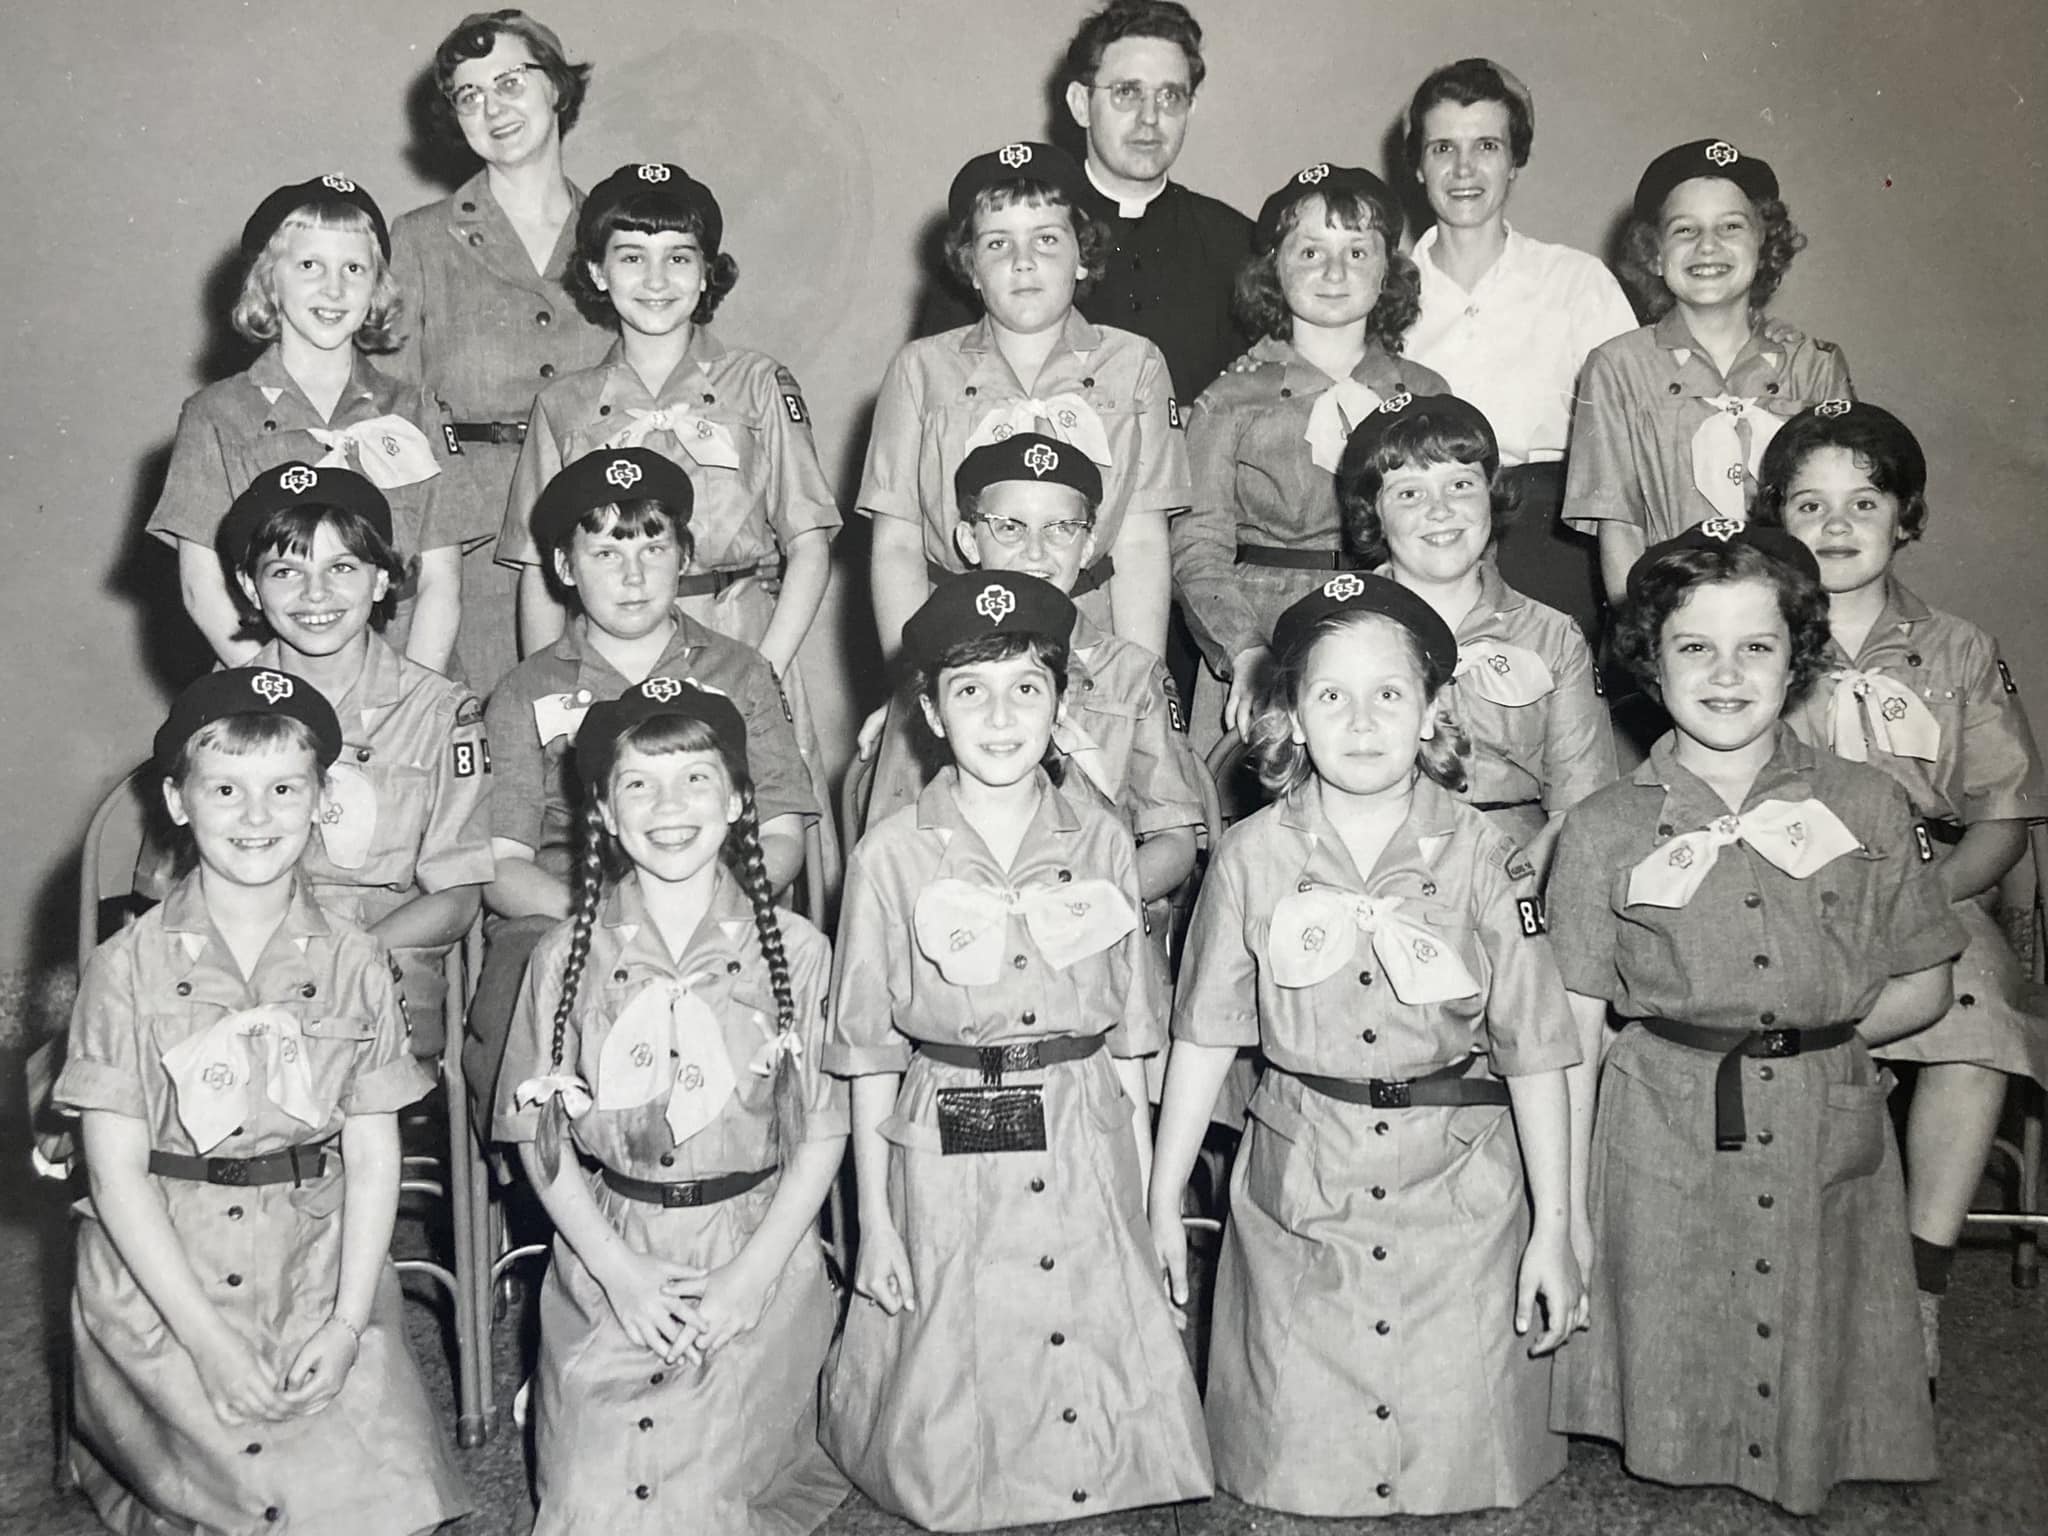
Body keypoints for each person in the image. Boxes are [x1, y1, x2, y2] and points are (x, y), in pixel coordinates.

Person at [1547, 520, 1965, 1513]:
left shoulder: (1862, 805)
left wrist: (1811, 1043)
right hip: (1663, 1121)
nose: (1724, 673)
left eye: (1755, 646)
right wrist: (1560, 1210)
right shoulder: (1602, 827)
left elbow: (1924, 980)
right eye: (1693, 646)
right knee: (1680, 1301)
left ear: (1798, 658)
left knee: (1810, 1286)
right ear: (1649, 662)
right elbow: (1566, 1019)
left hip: (1825, 1111)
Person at [1151, 573, 1583, 1516]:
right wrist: (1159, 1201)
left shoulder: (1482, 855)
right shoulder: (1252, 857)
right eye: (1329, 695)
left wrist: (1556, 1225)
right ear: (1292, 718)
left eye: (1389, 693)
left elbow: (1537, 1050)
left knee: (1464, 1464)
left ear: (1432, 712)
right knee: (1290, 1468)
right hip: (1305, 1176)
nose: (1360, 719)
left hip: (1456, 1189)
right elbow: (1204, 1039)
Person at [821, 573, 1212, 1531]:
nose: (1001, 717)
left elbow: (1129, 1035)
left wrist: (1156, 1199)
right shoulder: (891, 857)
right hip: (950, 1133)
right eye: (970, 692)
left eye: (1026, 689)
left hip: (1085, 1126)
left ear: (1062, 703)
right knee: (959, 1368)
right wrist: (874, 1219)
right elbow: (868, 1053)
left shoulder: (1105, 843)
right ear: (928, 710)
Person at [54, 669, 471, 1535]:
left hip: (313, 1260)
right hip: (166, 1269)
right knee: (254, 1498)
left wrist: (351, 1325)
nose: (256, 815)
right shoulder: (123, 968)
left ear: (323, 800)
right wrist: (208, 1342)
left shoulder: (356, 959)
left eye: (285, 788)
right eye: (226, 789)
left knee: (384, 1498)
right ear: (176, 801)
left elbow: (370, 1150)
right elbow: (117, 1175)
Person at [495, 679, 848, 1534]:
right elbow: (541, 1145)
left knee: (704, 1501)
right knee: (588, 1505)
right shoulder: (562, 958)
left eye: (695, 779)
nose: (669, 806)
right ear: (606, 816)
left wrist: (746, 1282)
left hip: (753, 1250)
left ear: (736, 800)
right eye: (639, 785)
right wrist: (621, 1277)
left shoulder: (797, 953)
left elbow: (823, 1133)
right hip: (611, 1253)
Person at [1755, 399, 2048, 1389]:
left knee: (1975, 1019)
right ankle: (1775, 1273)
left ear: (1904, 517)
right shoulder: (1748, 635)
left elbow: (2000, 821)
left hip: (1935, 880)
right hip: (1783, 886)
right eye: (1808, 503)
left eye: (1863, 502)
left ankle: (1917, 1290)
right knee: (1758, 1007)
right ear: (1774, 516)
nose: (1834, 527)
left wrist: (1924, 899)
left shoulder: (1956, 649)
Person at [498, 160, 841, 890]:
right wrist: (552, 695)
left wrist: (766, 671)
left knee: (752, 852)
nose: (656, 280)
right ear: (595, 272)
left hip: (740, 632)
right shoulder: (565, 404)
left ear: (707, 271)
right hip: (604, 660)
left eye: (678, 258)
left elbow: (810, 542)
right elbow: (537, 569)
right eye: (631, 257)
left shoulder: (757, 384)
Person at [471, 447, 814, 1127]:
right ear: (564, 568)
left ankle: (756, 1151)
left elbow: (780, 834)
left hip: (717, 892)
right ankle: (545, 1165)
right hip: (568, 902)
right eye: (604, 554)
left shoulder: (742, 673)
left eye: (654, 549)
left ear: (686, 556)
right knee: (523, 976)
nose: (633, 576)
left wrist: (704, 904)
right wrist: (610, 919)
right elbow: (500, 866)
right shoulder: (523, 692)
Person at [860, 141, 1188, 671]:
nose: (1023, 262)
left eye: (1047, 240)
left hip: (1091, 636)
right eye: (997, 245)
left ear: (1083, 256)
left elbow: (1142, 543)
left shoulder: (1136, 363)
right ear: (970, 268)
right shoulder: (919, 369)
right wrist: (912, 677)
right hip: (957, 637)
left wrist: (1141, 682)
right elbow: (897, 545)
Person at [1172, 162, 1448, 759]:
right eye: (1309, 252)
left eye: (1357, 251)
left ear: (1388, 270)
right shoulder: (1228, 397)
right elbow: (1197, 545)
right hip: (1260, 627)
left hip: (1390, 616)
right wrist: (1244, 652)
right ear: (1274, 265)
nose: (1333, 272)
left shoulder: (1425, 393)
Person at [148, 175, 474, 675]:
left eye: (353, 268)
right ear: (268, 281)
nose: (334, 288)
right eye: (309, 266)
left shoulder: (418, 411)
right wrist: (288, 702)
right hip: (269, 692)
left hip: (408, 693)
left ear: (377, 287)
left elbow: (440, 583)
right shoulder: (215, 415)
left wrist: (409, 706)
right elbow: (203, 589)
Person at [219, 461, 492, 1052]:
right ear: (249, 586)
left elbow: (457, 894)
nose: (315, 594)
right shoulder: (219, 706)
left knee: (323, 1038)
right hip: (244, 952)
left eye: (341, 568)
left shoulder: (439, 712)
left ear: (380, 580)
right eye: (286, 571)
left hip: (378, 953)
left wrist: (348, 957)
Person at [387, 8, 612, 691]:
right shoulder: (421, 238)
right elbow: (389, 415)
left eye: (511, 81)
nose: (493, 106)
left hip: (601, 527)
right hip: (466, 542)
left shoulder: (616, 232)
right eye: (469, 94)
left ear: (557, 89)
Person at [1398, 58, 1638, 642]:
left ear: (1514, 163)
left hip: (1551, 538)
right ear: (1417, 165)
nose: (1463, 169)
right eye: (1441, 148)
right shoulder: (1385, 291)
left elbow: (1635, 431)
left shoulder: (1578, 283)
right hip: (1423, 534)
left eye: (1486, 145)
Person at [1563, 140, 1853, 607]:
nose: (1708, 246)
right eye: (1684, 230)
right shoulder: (1616, 368)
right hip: (1671, 624)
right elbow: (1619, 530)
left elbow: (1838, 524)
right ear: (1655, 254)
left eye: (1731, 227)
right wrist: (1645, 643)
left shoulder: (1813, 365)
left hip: (1791, 625)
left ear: (1765, 244)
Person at [1336, 392, 1613, 863]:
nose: (1440, 509)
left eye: (1460, 485)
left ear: (1492, 493)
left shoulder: (1553, 637)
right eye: (1409, 493)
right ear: (1373, 515)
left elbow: (1581, 811)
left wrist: (1516, 893)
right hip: (1371, 869)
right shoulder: (1337, 634)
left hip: (1519, 866)